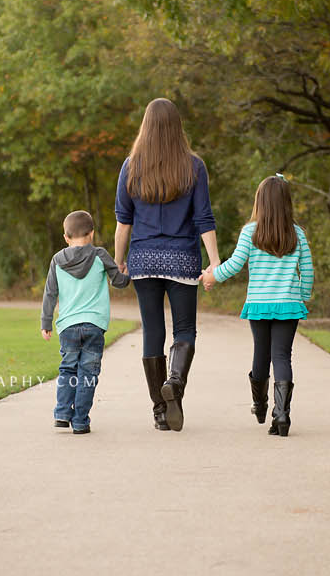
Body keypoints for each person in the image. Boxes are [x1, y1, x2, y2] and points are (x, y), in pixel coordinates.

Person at [114, 101, 218, 432]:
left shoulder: (131, 167)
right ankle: (174, 381)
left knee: (153, 332)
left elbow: (123, 222)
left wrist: (119, 260)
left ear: (146, 126)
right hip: (182, 258)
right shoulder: (194, 167)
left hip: (143, 258)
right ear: (177, 127)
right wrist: (214, 261)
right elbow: (204, 219)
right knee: (185, 330)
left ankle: (160, 410)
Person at [204, 173, 313, 440]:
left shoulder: (250, 232)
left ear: (260, 202)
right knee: (282, 357)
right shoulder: (297, 234)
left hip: (259, 305)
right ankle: (282, 414)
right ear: (286, 203)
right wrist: (303, 294)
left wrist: (212, 276)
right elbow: (307, 270)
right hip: (288, 305)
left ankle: (261, 404)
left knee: (261, 355)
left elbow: (235, 263)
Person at [40, 210, 126, 435]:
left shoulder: (57, 260)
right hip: (94, 325)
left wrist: (46, 322)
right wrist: (126, 272)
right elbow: (118, 282)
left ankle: (61, 413)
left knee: (68, 369)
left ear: (66, 237)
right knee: (88, 373)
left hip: (67, 325)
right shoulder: (100, 255)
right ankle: (79, 421)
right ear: (92, 234)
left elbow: (50, 293)